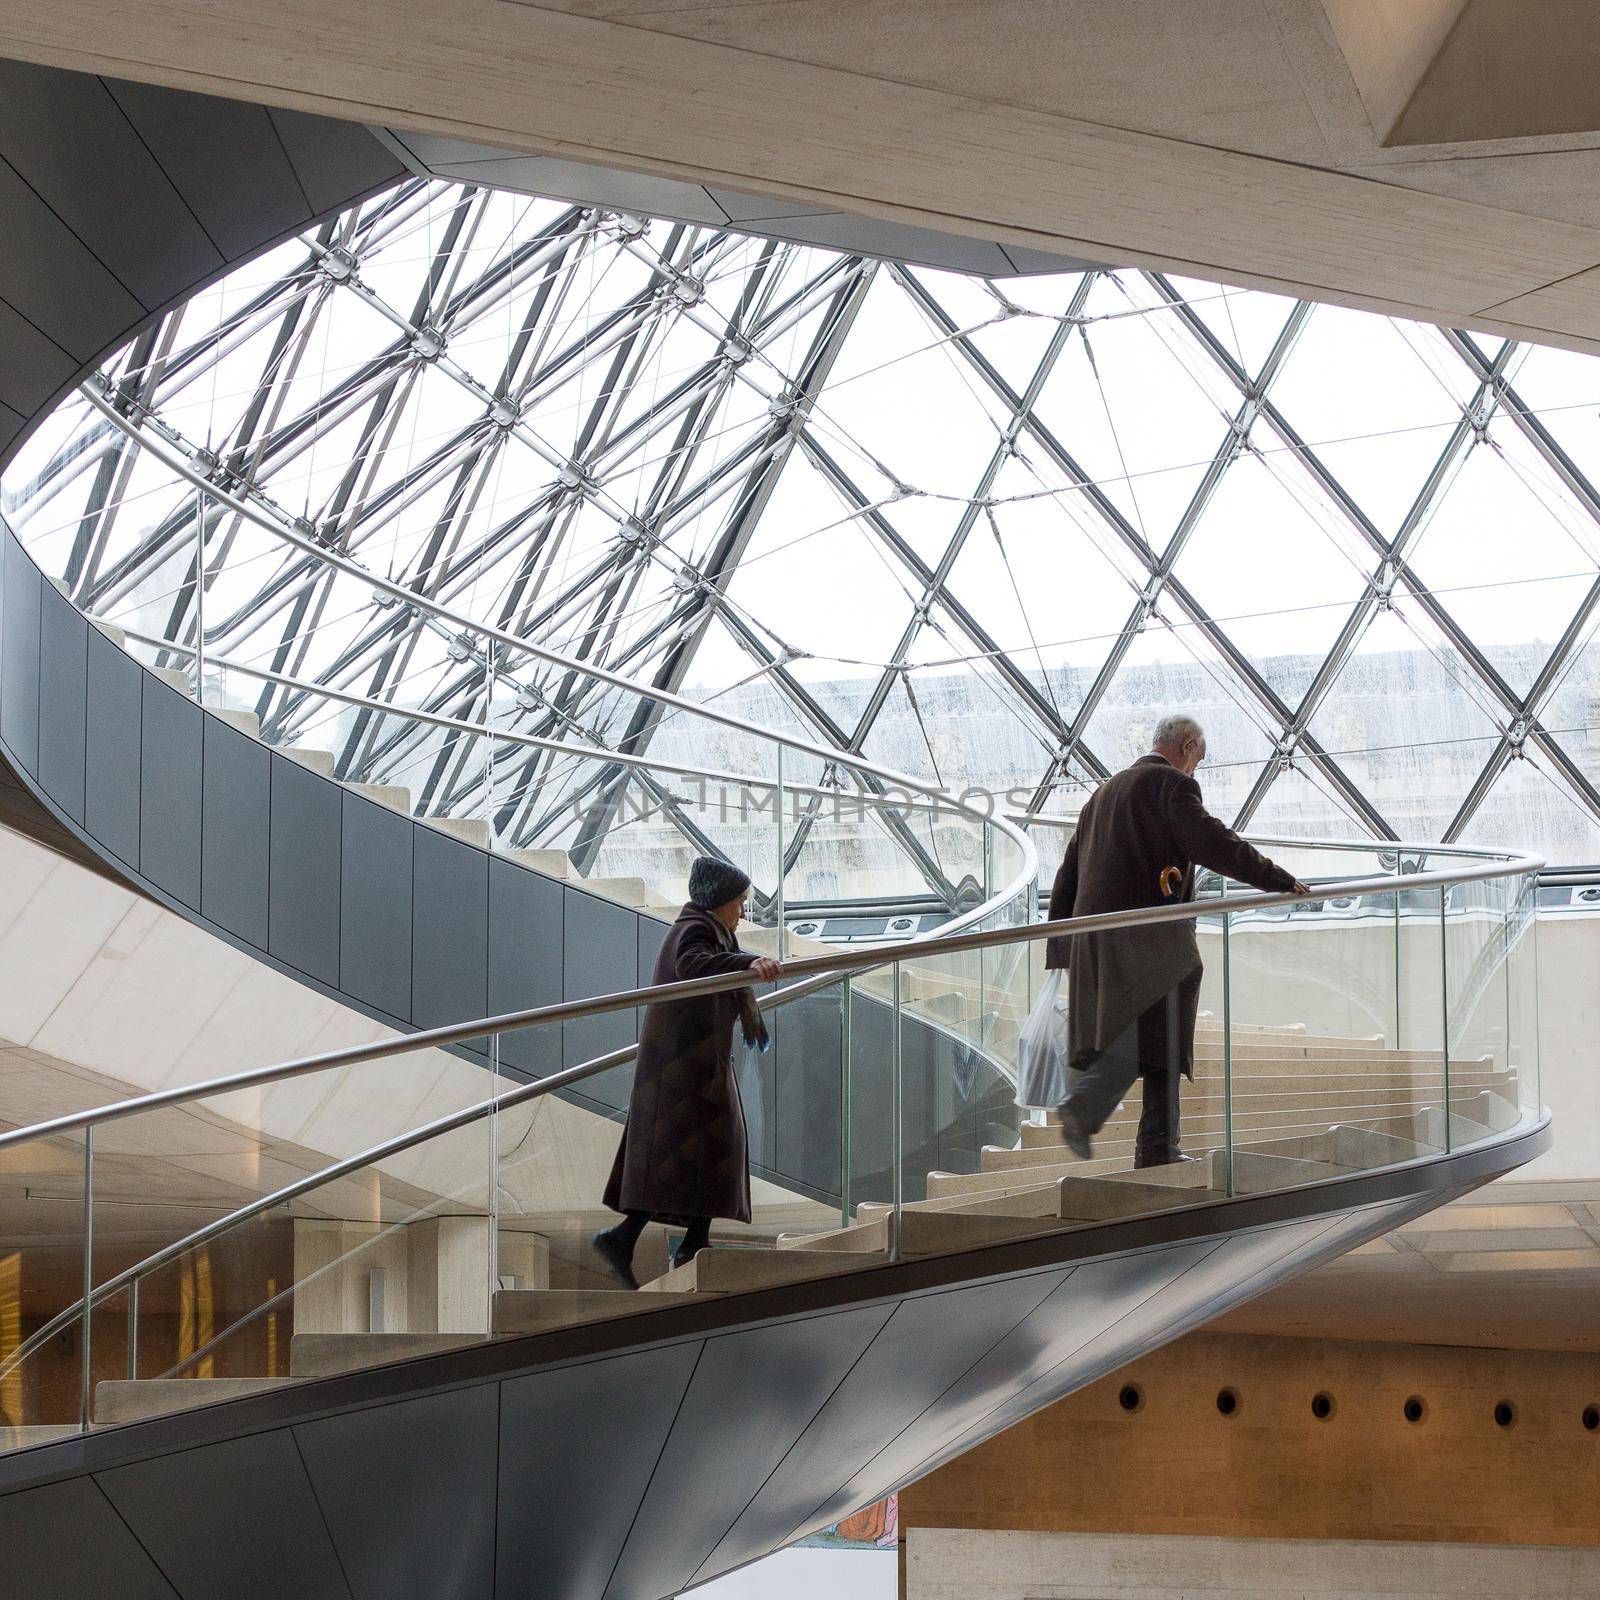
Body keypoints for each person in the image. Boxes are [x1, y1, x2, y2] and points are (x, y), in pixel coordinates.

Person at [1046, 715, 1306, 1167]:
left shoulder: (1103, 794)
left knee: (1134, 1035)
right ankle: (1147, 1142)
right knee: (1164, 1030)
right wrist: (1276, 877)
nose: (1195, 771)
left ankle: (1125, 1130)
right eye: (1198, 760)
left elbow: (1066, 875)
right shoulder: (1170, 786)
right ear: (1187, 746)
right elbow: (1213, 842)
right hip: (1148, 938)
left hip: (1094, 940)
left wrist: (1063, 950)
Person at [593, 856, 782, 1288]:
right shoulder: (694, 930)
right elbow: (692, 965)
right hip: (682, 1070)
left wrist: (745, 963)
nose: (743, 912)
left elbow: (716, 963)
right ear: (718, 901)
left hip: (692, 1066)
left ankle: (665, 1241)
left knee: (701, 1155)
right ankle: (662, 1242)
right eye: (739, 903)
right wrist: (748, 964)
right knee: (695, 1153)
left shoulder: (714, 933)